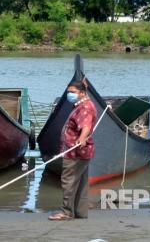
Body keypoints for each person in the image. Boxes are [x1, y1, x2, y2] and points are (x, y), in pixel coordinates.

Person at [48, 80, 97, 220]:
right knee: (81, 182)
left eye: (73, 92)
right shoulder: (83, 104)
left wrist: (81, 138)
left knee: (68, 180)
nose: (69, 94)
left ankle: (66, 212)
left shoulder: (85, 107)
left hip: (75, 152)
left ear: (81, 93)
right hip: (82, 152)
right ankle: (80, 212)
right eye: (68, 92)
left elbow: (86, 125)